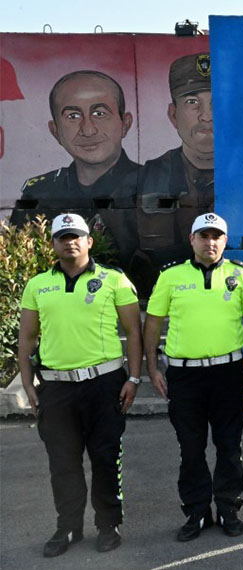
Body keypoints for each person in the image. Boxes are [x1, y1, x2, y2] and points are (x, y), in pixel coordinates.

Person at [17, 213, 142, 557]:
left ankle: (108, 524)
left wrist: (134, 377)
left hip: (104, 384)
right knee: (63, 462)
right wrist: (28, 383)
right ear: (53, 244)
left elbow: (133, 332)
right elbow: (27, 338)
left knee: (105, 457)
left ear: (89, 241)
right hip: (56, 388)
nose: (70, 242)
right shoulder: (37, 284)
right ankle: (68, 527)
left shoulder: (114, 279)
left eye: (76, 236)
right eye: (63, 237)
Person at [143, 212, 243, 541]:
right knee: (190, 448)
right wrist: (152, 367)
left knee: (229, 445)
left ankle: (228, 508)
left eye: (216, 236)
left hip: (228, 373)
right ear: (191, 239)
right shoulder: (170, 276)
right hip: (184, 376)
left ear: (225, 240)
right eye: (203, 236)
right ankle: (197, 512)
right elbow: (153, 322)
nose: (210, 242)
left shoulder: (242, 276)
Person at [11, 70, 139, 270]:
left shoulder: (152, 185)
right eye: (73, 116)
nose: (88, 130)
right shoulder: (40, 195)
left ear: (125, 123)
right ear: (55, 131)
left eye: (99, 113)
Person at [134, 53, 215, 297]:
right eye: (192, 102)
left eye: (217, 102)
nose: (206, 116)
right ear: (173, 114)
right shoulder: (143, 179)